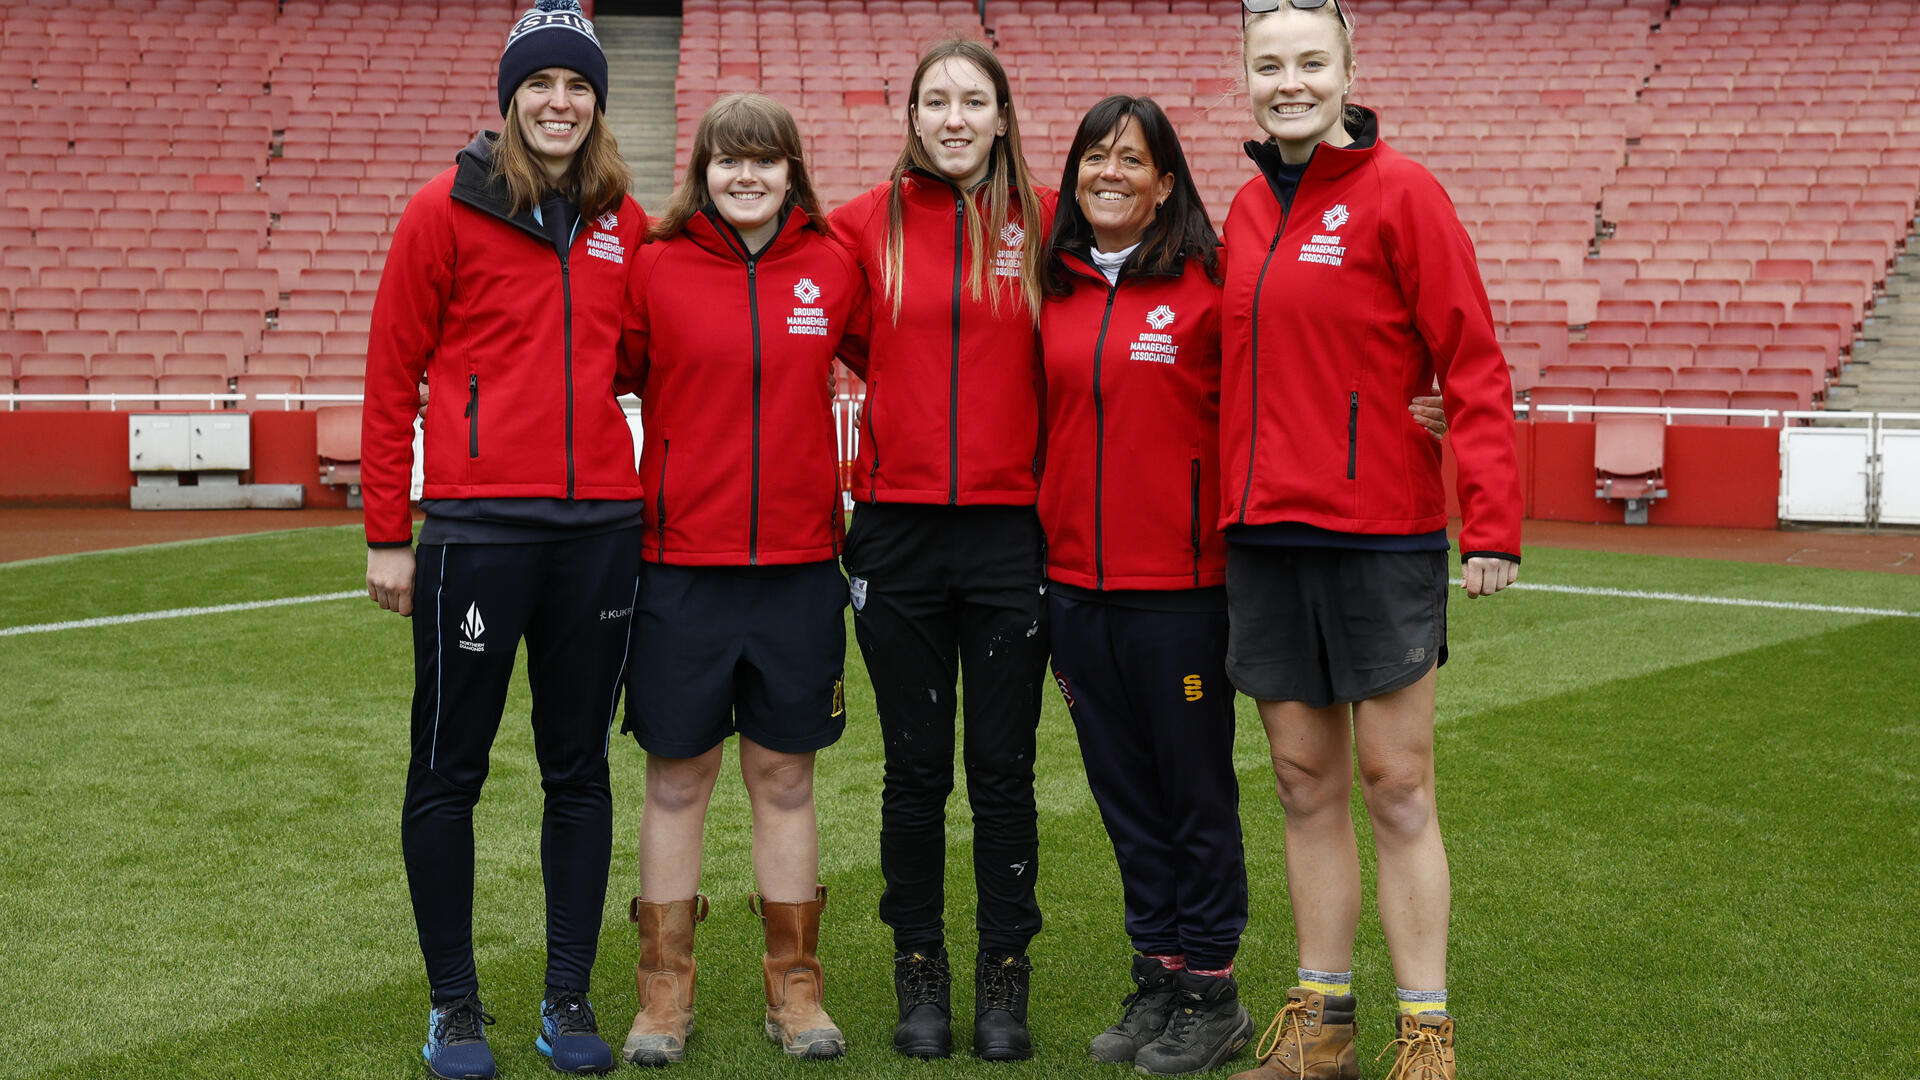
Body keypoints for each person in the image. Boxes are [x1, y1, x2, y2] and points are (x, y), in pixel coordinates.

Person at [1038, 94, 1448, 1078]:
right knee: (1126, 798)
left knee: (1194, 797)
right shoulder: (1049, 291)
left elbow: (1311, 356)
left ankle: (1214, 992)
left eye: (1132, 159)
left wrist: (1402, 402)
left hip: (1185, 585)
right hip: (1075, 587)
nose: (1110, 173)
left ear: (1166, 181)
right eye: (1094, 157)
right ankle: (1161, 974)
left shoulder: (1212, 284)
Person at [1219, 4, 1524, 1080]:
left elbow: (1472, 360)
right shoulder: (1248, 208)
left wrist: (1490, 521)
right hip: (1264, 537)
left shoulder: (1406, 192)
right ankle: (1322, 1026)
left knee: (1396, 782)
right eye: (1269, 64)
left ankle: (1427, 1033)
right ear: (1246, 78)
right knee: (1302, 780)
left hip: (1379, 537)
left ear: (1349, 70)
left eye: (1310, 61)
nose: (1289, 81)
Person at [360, 1, 645, 1077]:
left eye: (577, 85)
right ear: (511, 98)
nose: (560, 101)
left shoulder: (625, 220)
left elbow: (639, 356)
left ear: (596, 103)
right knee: (448, 771)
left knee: (579, 771)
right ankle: (454, 1009)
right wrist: (391, 532)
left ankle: (568, 1000)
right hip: (475, 533)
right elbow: (391, 378)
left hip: (599, 534)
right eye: (541, 84)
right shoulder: (442, 209)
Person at [614, 92, 863, 1068]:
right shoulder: (657, 269)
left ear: (792, 170)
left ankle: (795, 991)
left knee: (786, 779)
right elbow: (606, 377)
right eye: (728, 161)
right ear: (703, 173)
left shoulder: (835, 266)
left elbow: (905, 365)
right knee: (677, 780)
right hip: (681, 571)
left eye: (765, 160)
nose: (747, 176)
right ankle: (661, 996)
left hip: (801, 570)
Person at [826, 38, 1055, 1062]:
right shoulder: (857, 226)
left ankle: (1005, 976)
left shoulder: (1050, 222)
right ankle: (919, 965)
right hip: (899, 534)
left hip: (1015, 534)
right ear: (912, 116)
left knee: (1003, 770)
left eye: (974, 100)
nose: (954, 117)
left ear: (1003, 115)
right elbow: (783, 320)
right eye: (936, 100)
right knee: (916, 773)